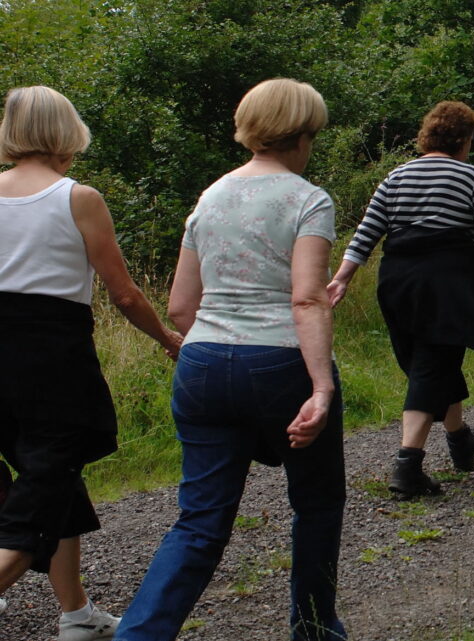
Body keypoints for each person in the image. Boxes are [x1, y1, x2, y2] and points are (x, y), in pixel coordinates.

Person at [116, 78, 346, 640]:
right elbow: (307, 298)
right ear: (302, 135)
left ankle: (138, 635)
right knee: (316, 503)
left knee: (199, 522)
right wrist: (320, 388)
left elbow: (180, 306)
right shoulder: (308, 199)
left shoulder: (210, 197)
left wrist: (217, 351)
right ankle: (313, 630)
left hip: (201, 362)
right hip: (282, 365)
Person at [0, 86, 181, 640]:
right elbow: (123, 293)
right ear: (66, 131)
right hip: (50, 359)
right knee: (45, 481)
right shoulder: (77, 197)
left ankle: (77, 614)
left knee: (54, 479)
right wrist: (167, 338)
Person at [327, 101, 474, 496]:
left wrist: (342, 278)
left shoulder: (396, 176)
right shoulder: (470, 176)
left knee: (437, 357)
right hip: (448, 282)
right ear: (464, 139)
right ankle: (407, 465)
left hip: (399, 282)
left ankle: (460, 440)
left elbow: (367, 232)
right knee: (431, 363)